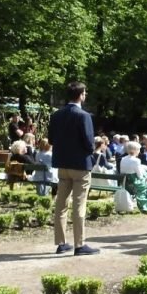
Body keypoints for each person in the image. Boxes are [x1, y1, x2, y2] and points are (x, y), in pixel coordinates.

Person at [48, 81, 98, 256]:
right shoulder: (83, 116)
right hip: (80, 165)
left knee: (61, 204)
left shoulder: (56, 115)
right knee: (79, 205)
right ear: (81, 95)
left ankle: (61, 243)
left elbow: (51, 140)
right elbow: (89, 143)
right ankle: (80, 244)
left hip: (62, 164)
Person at [120, 141, 147, 212]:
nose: (139, 151)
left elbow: (123, 171)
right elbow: (140, 176)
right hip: (134, 183)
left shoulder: (123, 159)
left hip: (125, 182)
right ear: (135, 150)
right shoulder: (136, 160)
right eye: (139, 150)